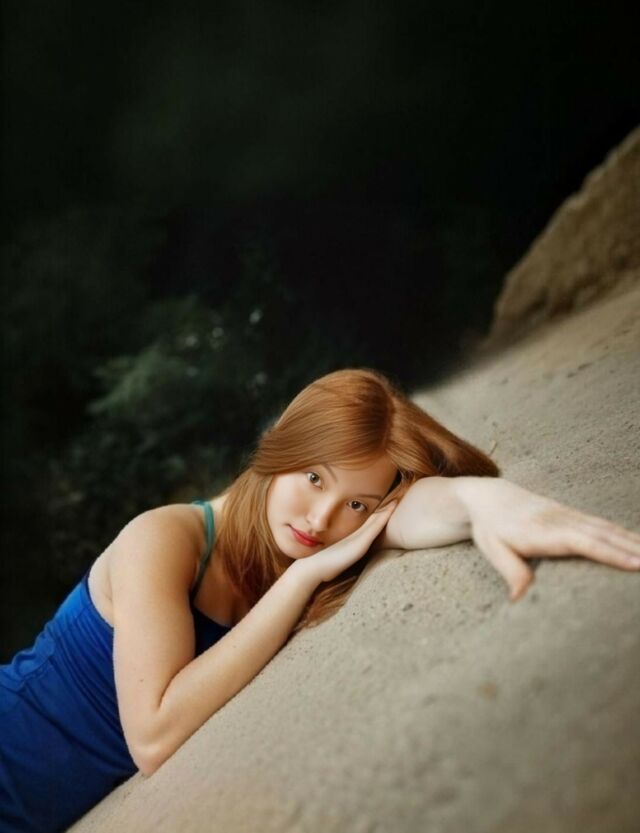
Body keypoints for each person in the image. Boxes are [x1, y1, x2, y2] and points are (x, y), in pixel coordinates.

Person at [1, 368, 638, 833]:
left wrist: (485, 502)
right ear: (280, 446)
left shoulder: (316, 534)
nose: (321, 518)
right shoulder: (162, 538)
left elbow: (413, 508)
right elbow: (154, 736)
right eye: (313, 477)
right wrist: (298, 582)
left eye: (356, 503)